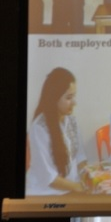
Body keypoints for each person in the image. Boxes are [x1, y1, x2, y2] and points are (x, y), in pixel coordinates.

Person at [26, 67, 88, 195]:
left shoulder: (72, 121)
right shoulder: (39, 128)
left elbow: (80, 157)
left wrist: (86, 177)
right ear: (54, 98)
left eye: (74, 96)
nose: (74, 102)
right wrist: (78, 187)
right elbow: (49, 177)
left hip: (70, 188)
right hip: (45, 194)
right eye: (69, 97)